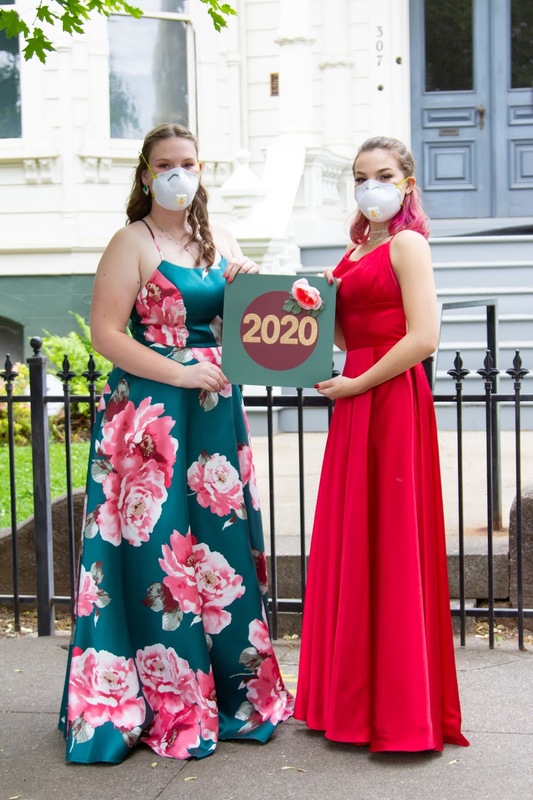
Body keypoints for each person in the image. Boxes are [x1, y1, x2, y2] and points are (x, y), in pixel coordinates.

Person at [58, 123, 293, 763]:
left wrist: (248, 279)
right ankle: (161, 698)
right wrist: (180, 371)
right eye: (166, 164)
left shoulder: (217, 239)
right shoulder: (130, 242)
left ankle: (233, 695)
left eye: (188, 162)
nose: (178, 173)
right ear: (145, 175)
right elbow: (108, 335)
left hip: (215, 413)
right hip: (152, 417)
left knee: (216, 550)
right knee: (155, 548)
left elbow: (242, 322)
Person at [294, 136, 469, 752]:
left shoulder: (409, 244)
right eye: (362, 176)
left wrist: (357, 385)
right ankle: (351, 701)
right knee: (355, 542)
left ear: (407, 184)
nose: (372, 186)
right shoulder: (356, 248)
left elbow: (423, 337)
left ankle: (398, 712)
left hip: (390, 397)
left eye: (385, 175)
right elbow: (344, 334)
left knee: (390, 542)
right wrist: (315, 297)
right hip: (355, 396)